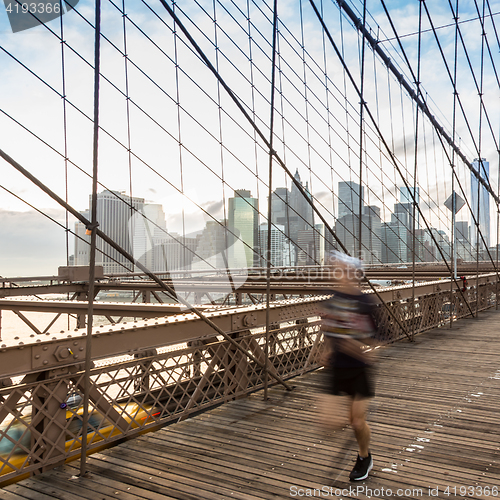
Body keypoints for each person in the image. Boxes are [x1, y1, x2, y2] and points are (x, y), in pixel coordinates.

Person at [319, 251, 379, 482]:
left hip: (358, 368)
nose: (337, 274)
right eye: (336, 270)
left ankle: (364, 457)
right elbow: (329, 330)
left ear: (354, 274)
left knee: (356, 421)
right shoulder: (331, 298)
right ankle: (362, 452)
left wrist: (360, 345)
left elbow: (376, 337)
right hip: (336, 368)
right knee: (328, 423)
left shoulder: (364, 302)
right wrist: (327, 350)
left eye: (342, 270)